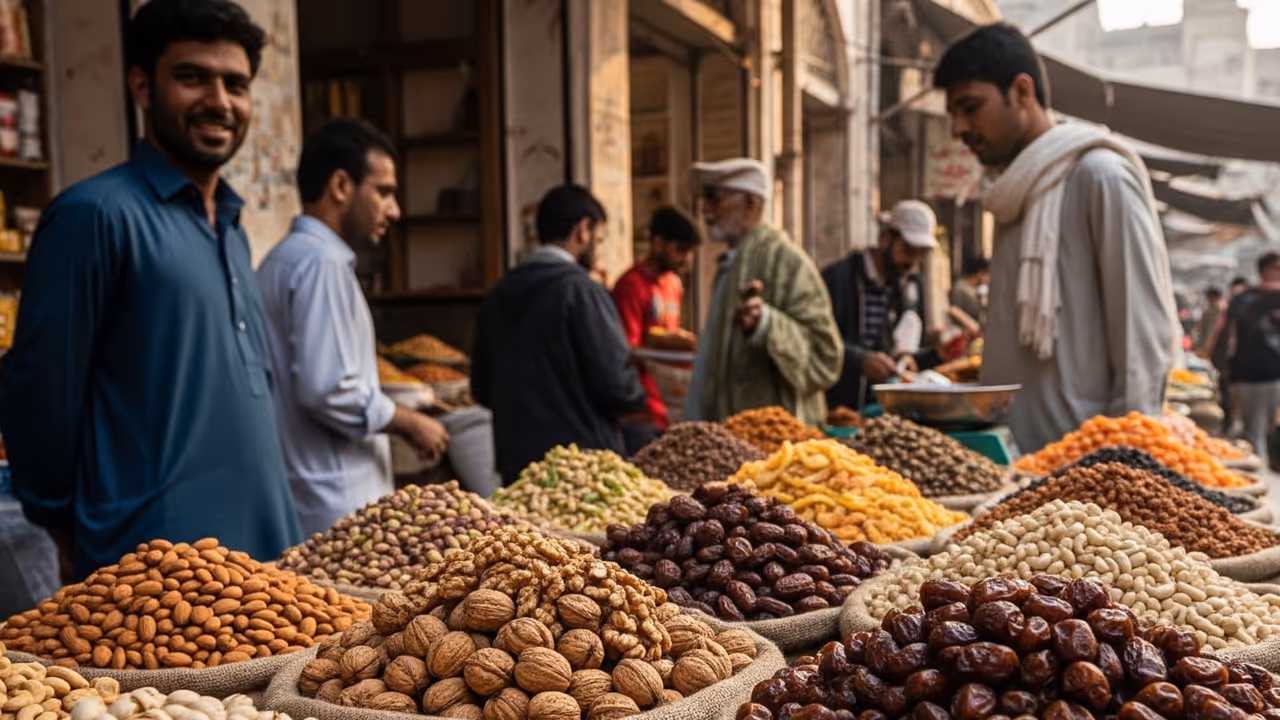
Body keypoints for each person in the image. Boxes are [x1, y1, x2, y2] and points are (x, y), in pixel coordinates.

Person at [0, 0, 302, 578]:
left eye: (235, 84)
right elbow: (40, 393)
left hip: (266, 558)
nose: (219, 101)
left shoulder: (233, 227)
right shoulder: (94, 217)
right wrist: (65, 527)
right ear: (141, 85)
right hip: (151, 579)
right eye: (192, 77)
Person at [934, 24, 1178, 453]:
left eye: (970, 107)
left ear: (1022, 92)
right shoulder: (1014, 192)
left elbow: (1143, 340)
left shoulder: (1100, 176)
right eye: (953, 113)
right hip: (1019, 465)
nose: (958, 128)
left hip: (1088, 476)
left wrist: (1123, 461)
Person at [256, 119, 450, 536]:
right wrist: (407, 420)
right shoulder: (318, 264)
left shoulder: (284, 259)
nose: (394, 211)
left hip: (311, 488)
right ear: (341, 186)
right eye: (383, 192)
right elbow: (330, 389)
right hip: (334, 498)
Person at [471, 185, 646, 484]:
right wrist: (639, 388)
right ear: (583, 230)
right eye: (599, 239)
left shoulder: (498, 294)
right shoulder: (582, 291)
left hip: (518, 470)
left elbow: (481, 390)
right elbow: (616, 387)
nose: (598, 249)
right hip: (580, 472)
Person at [684, 159, 842, 424]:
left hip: (774, 445)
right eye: (703, 198)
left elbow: (825, 357)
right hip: (730, 435)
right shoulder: (729, 266)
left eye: (714, 198)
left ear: (750, 204)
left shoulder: (787, 262)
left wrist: (767, 325)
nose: (705, 209)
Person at [822, 200, 940, 411]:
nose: (913, 263)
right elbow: (818, 341)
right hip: (837, 408)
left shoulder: (904, 285)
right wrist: (860, 360)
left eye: (920, 255)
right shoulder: (838, 279)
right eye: (909, 251)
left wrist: (924, 355)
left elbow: (895, 345)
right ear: (886, 239)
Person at [611, 206, 702, 452]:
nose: (687, 258)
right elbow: (626, 350)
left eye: (689, 252)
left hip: (672, 404)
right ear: (658, 243)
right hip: (641, 410)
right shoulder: (631, 285)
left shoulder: (674, 284)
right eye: (680, 250)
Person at [1215, 253, 1280, 461]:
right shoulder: (1245, 298)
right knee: (1254, 433)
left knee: (1267, 431)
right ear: (1265, 270)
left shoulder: (1243, 297)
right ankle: (1258, 479)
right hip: (1251, 376)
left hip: (1271, 375)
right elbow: (1224, 335)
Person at [950, 255, 990, 332]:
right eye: (986, 274)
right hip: (965, 331)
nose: (987, 278)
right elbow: (955, 310)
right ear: (980, 273)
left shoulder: (978, 289)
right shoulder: (961, 288)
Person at [1193, 287, 1226, 356]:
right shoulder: (1208, 312)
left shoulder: (1223, 311)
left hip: (1214, 349)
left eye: (1210, 298)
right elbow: (1202, 330)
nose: (1209, 300)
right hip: (1205, 348)